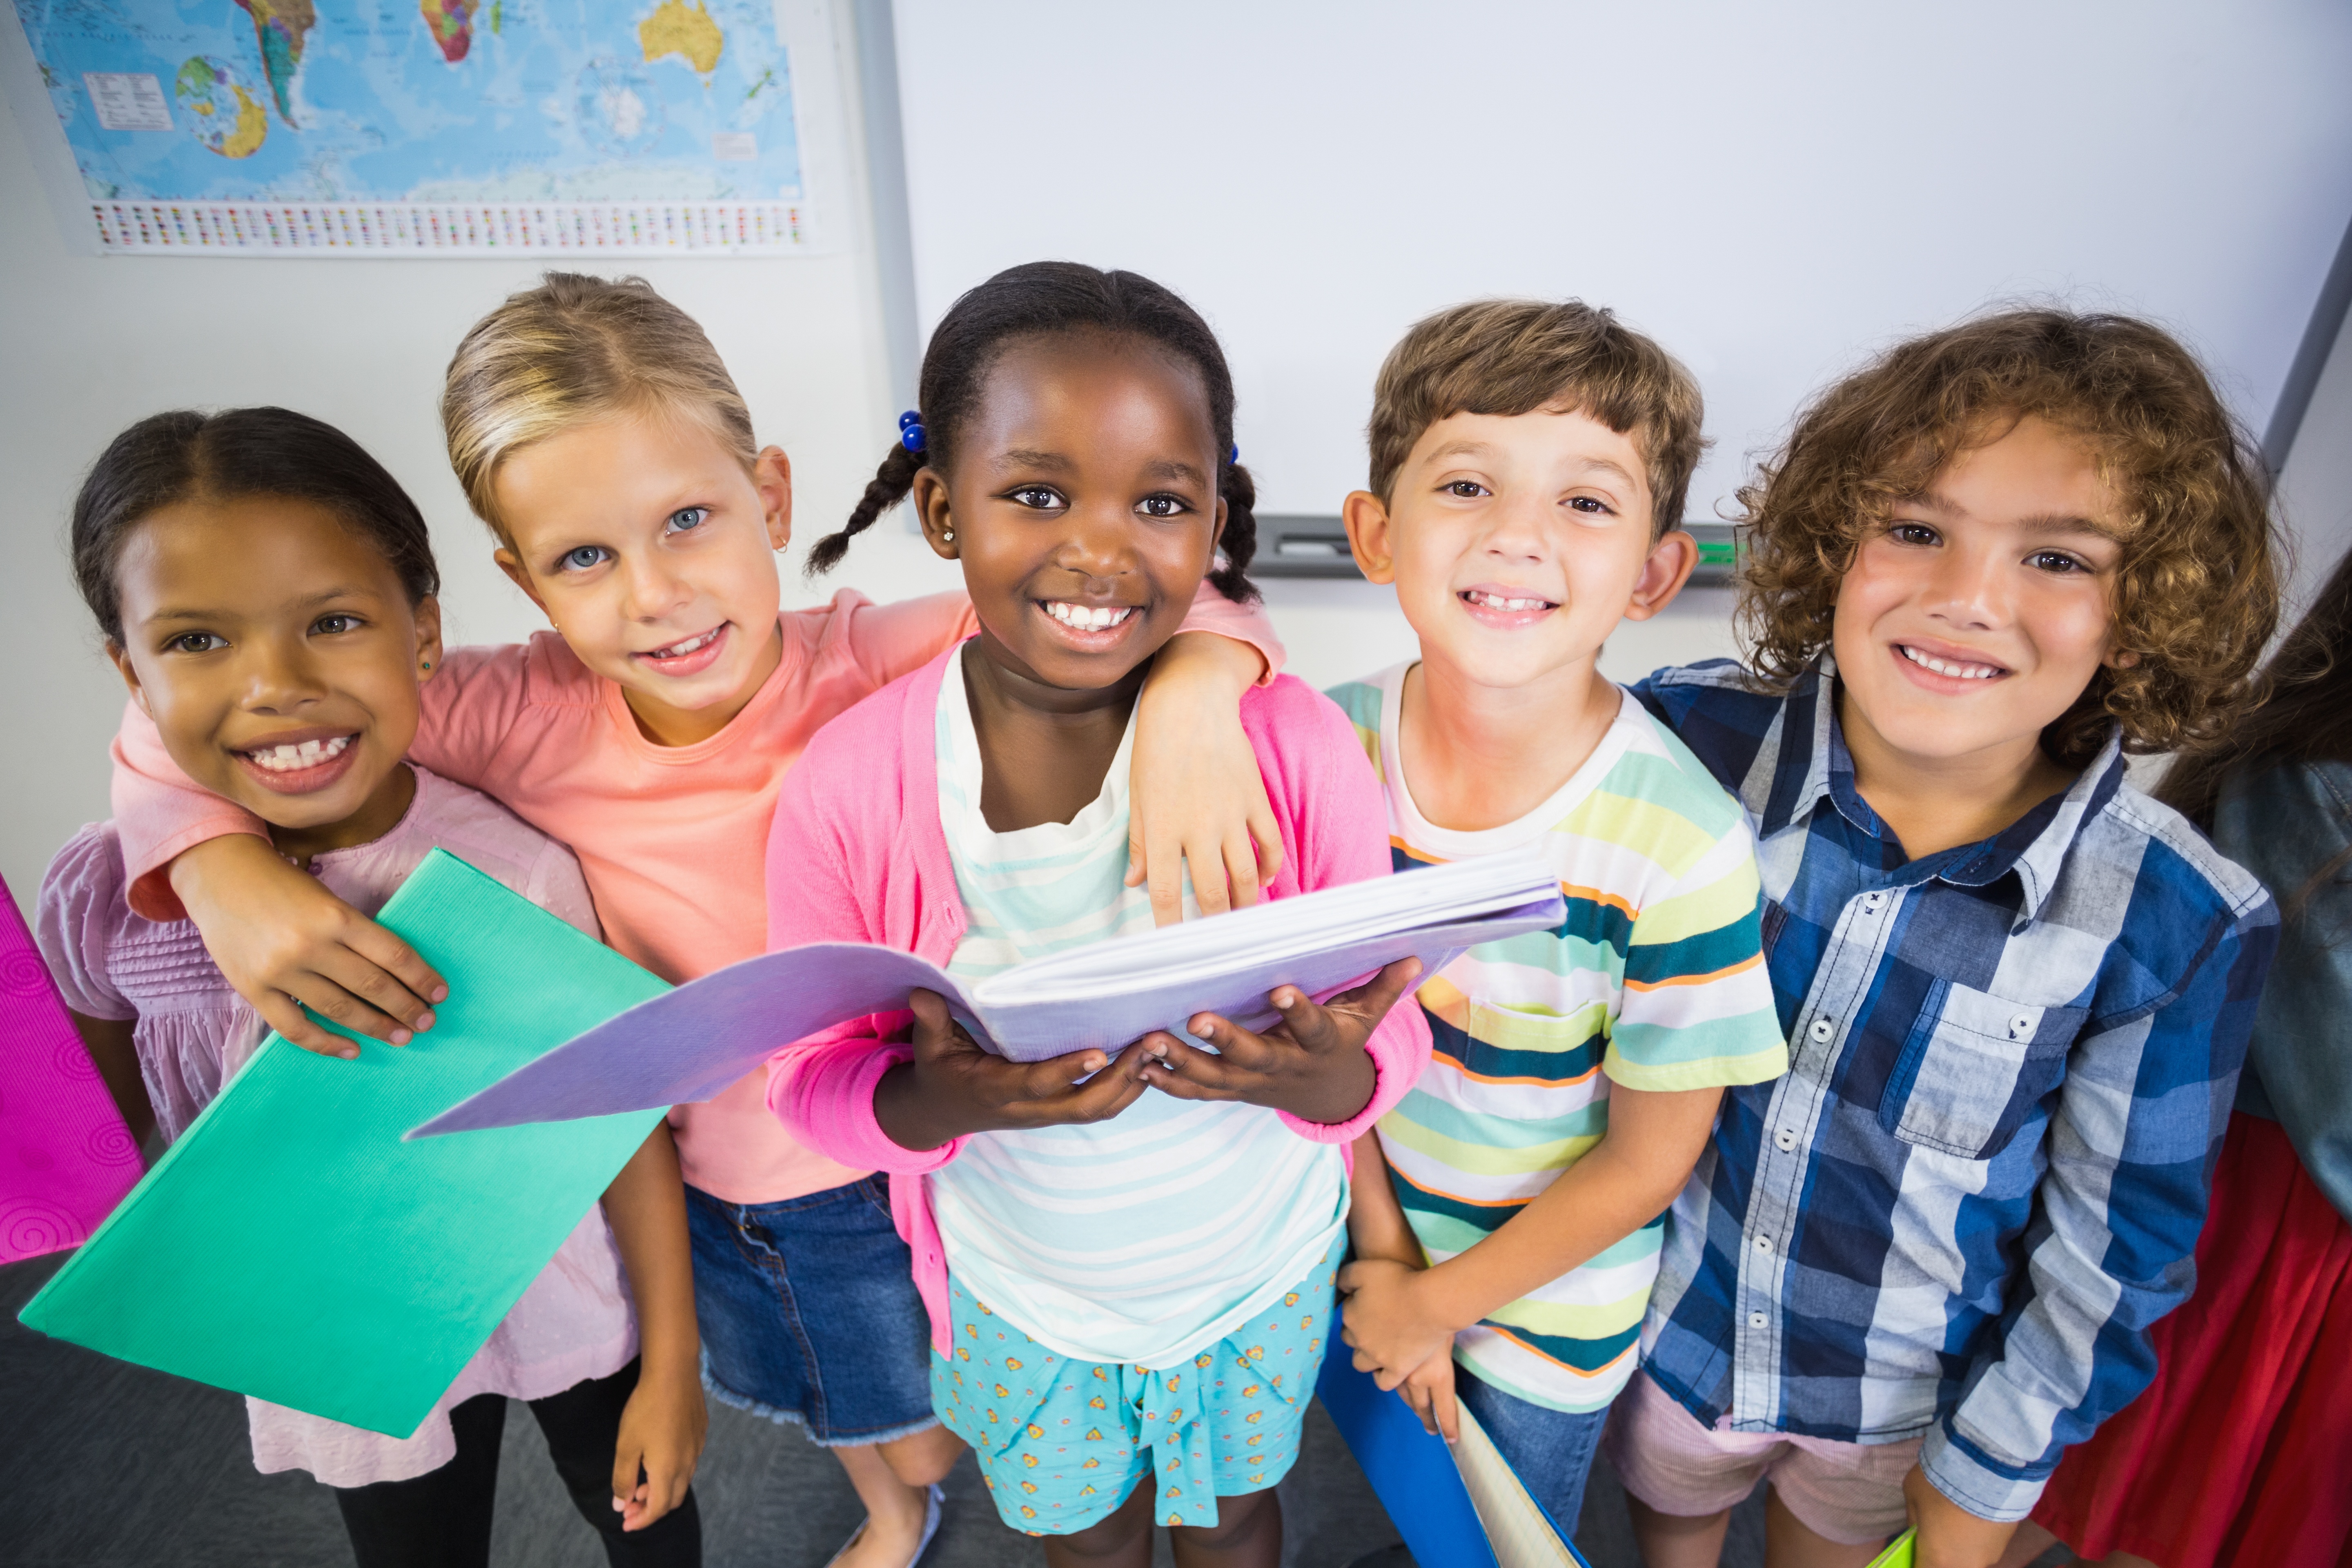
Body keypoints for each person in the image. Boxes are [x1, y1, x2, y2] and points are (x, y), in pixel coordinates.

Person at [96, 276, 1289, 1566]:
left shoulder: (882, 657)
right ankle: (894, 1511)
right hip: (707, 1177)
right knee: (821, 1396)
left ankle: (925, 1481)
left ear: (769, 498)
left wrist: (1196, 695)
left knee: (940, 1403)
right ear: (522, 578)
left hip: (904, 1157)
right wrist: (222, 873)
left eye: (689, 522)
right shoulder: (515, 709)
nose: (655, 595)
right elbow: (205, 718)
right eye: (585, 559)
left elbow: (1125, 597)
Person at [761, 261, 1432, 1567]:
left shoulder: (1290, 747)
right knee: (1088, 1542)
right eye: (1037, 493)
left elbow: (1388, 1025)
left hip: (1254, 1273)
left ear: (1215, 519)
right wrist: (944, 1103)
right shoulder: (854, 784)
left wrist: (1332, 1074)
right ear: (945, 513)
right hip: (1027, 1297)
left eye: (1162, 501)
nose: (1101, 549)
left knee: (1239, 1524)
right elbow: (805, 1085)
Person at [1603, 309, 2283, 1568]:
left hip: (1892, 1420)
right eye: (1916, 530)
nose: (1967, 600)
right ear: (1835, 548)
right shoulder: (1676, 740)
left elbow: (2109, 1261)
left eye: (2060, 561)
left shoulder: (2175, 922)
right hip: (1663, 1350)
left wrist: (1982, 1491)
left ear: (2144, 615)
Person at [37, 407, 704, 1568]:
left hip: (559, 1295)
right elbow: (87, 1160)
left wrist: (675, 1363)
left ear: (425, 630)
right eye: (196, 641)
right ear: (126, 672)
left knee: (640, 1517)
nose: (277, 686)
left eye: (334, 623)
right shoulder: (104, 895)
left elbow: (620, 1122)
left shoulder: (514, 871)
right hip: (330, 1331)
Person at [1324, 300, 1789, 1534]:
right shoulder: (1322, 751)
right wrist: (1386, 1265)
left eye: (1586, 502)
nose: (1519, 537)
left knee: (1500, 1527)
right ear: (1377, 533)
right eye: (1467, 484)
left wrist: (1441, 1301)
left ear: (1653, 574)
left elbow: (1648, 1158)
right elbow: (1316, 1034)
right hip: (1356, 1233)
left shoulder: (1679, 844)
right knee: (1387, 1492)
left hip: (1548, 1310)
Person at [2005, 543, 2352, 1568]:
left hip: (2310, 1226)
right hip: (2275, 1215)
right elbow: (2335, 1088)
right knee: (2142, 1504)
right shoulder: (2308, 786)